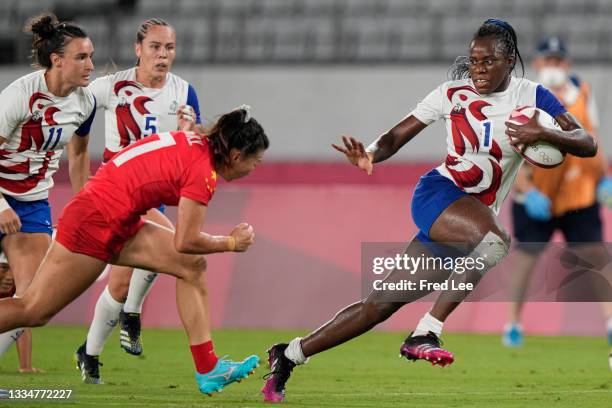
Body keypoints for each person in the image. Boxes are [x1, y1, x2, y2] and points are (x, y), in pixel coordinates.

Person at [261, 19, 598, 402]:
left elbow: (586, 143)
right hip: (439, 195)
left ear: (510, 60)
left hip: (470, 217)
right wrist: (371, 153)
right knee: (495, 242)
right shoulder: (451, 93)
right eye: (473, 61)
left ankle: (288, 355)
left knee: (378, 307)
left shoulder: (533, 96)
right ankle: (426, 331)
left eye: (488, 61)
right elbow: (395, 136)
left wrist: (547, 133)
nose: (478, 69)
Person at [0, 107, 268, 396]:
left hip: (115, 213)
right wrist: (229, 243)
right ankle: (207, 368)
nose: (255, 168)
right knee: (33, 311)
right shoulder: (202, 171)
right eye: (256, 161)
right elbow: (186, 240)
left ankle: (208, 368)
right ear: (236, 156)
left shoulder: (198, 144)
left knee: (191, 266)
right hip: (95, 221)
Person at [75, 17, 203, 384]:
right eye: (155, 47)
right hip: (116, 192)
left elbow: (193, 148)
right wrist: (82, 183)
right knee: (176, 247)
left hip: (153, 193)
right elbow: (77, 126)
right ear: (138, 49)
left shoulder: (184, 91)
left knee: (118, 283)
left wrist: (189, 131)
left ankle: (90, 353)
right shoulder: (109, 86)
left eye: (169, 48)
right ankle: (132, 312)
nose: (163, 55)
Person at [502, 36, 612, 368]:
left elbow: (592, 136)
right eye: (547, 61)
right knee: (526, 257)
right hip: (537, 193)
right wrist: (526, 190)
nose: (553, 67)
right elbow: (512, 151)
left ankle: (610, 322)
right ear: (537, 64)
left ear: (567, 64)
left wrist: (604, 175)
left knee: (596, 254)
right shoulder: (523, 97)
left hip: (578, 191)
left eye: (558, 61)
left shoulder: (583, 92)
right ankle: (513, 323)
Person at [0, 13, 95, 367]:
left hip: (32, 204)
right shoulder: (20, 95)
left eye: (91, 56)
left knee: (35, 305)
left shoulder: (85, 102)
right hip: (0, 197)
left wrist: (84, 203)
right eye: (81, 57)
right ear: (57, 60)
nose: (90, 65)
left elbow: (80, 152)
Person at [0, 254, 43, 373]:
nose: (10, 277)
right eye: (3, 268)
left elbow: (23, 322)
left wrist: (25, 367)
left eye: (13, 269)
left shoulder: (19, 286)